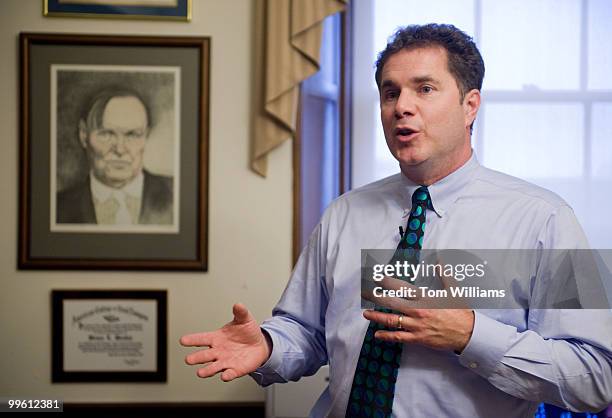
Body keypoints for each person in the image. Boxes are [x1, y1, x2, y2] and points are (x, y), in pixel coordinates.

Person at [180, 24, 612, 417]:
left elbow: (596, 377)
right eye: (390, 93)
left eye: (424, 89)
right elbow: (307, 332)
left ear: (470, 105)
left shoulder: (545, 220)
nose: (401, 106)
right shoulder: (344, 214)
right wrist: (269, 346)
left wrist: (470, 334)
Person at [56, 88, 173, 225]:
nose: (120, 149)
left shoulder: (176, 195)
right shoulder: (57, 208)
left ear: (146, 135)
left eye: (132, 134)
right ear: (84, 135)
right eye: (106, 134)